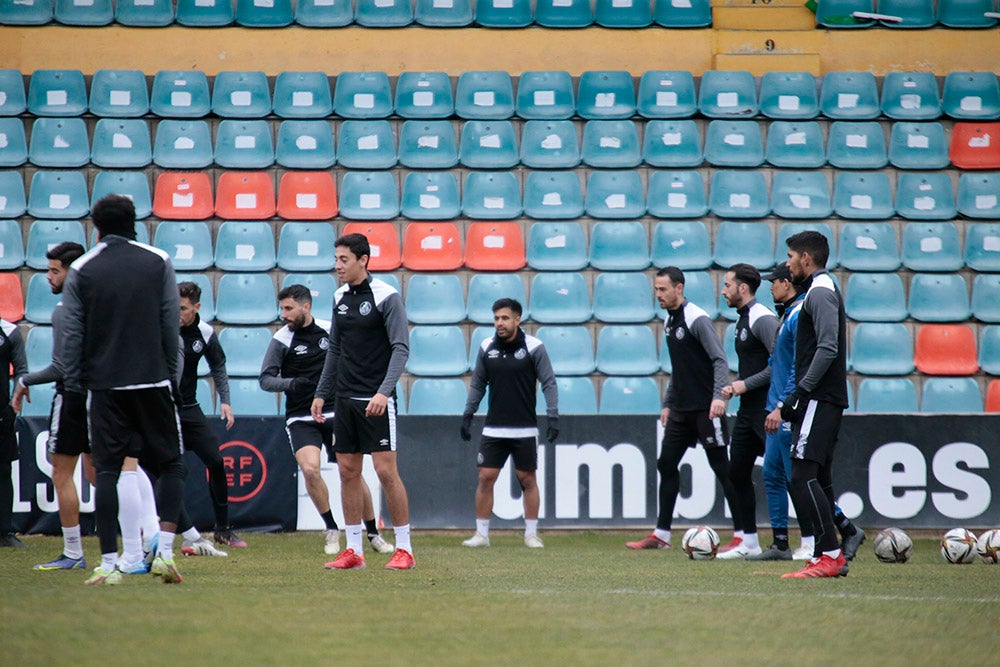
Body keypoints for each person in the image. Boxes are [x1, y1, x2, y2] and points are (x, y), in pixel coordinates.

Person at [60, 194, 185, 585]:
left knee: (108, 471)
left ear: (95, 226)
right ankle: (163, 552)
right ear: (134, 222)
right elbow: (170, 324)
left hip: (105, 385)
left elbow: (72, 334)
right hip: (152, 379)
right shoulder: (157, 260)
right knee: (172, 464)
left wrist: (78, 386)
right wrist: (168, 374)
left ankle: (111, 562)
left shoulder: (82, 268)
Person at [259, 283, 392, 557]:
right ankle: (331, 528)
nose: (283, 314)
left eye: (288, 308)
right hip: (300, 416)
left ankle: (374, 534)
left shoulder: (329, 330)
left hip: (336, 412)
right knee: (310, 469)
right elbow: (265, 380)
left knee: (350, 472)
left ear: (305, 306)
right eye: (281, 308)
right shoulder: (281, 340)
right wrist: (292, 383)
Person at [312, 233, 414, 571]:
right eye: (336, 259)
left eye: (344, 259)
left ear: (363, 260)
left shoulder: (387, 297)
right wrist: (321, 393)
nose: (337, 266)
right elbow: (336, 350)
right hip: (345, 399)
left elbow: (401, 348)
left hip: (378, 400)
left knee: (386, 472)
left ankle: (405, 549)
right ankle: (353, 550)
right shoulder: (339, 297)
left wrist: (384, 392)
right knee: (347, 471)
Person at [752, 264, 866, 563]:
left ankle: (829, 535)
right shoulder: (788, 315)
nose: (770, 287)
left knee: (800, 476)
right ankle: (782, 542)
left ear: (788, 283)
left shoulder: (804, 310)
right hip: (778, 403)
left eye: (773, 281)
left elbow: (797, 366)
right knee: (774, 474)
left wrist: (785, 403)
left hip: (789, 405)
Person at [626, 267, 741, 551]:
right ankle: (661, 535)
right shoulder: (669, 320)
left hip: (706, 409)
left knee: (722, 469)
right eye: (656, 290)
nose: (658, 295)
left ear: (679, 288)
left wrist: (718, 397)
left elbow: (719, 359)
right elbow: (680, 368)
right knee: (666, 463)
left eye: (663, 289)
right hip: (681, 410)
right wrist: (668, 403)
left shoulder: (697, 319)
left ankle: (743, 536)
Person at [13, 242, 93, 566]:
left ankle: (73, 552)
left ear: (71, 273)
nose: (48, 276)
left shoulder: (65, 311)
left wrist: (23, 381)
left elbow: (61, 368)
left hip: (72, 397)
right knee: (105, 473)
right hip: (101, 398)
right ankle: (136, 545)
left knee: (62, 473)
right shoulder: (100, 308)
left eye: (54, 270)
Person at [779, 231, 852, 579]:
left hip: (818, 397)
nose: (788, 262)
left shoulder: (820, 291)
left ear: (806, 258)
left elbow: (827, 347)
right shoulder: (821, 289)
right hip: (824, 397)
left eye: (791, 255)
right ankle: (827, 554)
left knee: (801, 474)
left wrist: (801, 391)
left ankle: (831, 555)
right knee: (817, 476)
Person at [460, 298, 559, 549]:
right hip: (494, 427)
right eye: (496, 318)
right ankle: (482, 534)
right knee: (485, 477)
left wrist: (553, 415)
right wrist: (468, 413)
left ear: (517, 319)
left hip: (524, 427)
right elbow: (478, 383)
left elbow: (548, 383)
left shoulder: (535, 347)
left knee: (527, 479)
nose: (499, 323)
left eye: (504, 318)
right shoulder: (486, 347)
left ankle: (531, 534)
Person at [177, 281, 246, 550]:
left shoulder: (204, 332)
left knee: (216, 462)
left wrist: (225, 401)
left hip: (189, 408)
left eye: (182, 308)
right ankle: (176, 532)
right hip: (162, 409)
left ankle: (223, 530)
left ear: (196, 307)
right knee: (172, 471)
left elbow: (218, 365)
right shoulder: (160, 327)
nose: (177, 313)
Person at [717, 264, 779, 560]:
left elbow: (780, 364)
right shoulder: (742, 321)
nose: (723, 290)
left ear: (743, 288)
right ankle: (749, 541)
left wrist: (743, 384)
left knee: (789, 475)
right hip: (747, 411)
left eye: (727, 285)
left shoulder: (763, 318)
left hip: (767, 410)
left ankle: (814, 539)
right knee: (736, 472)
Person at [0, 315, 28, 548]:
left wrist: (13, 405)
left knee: (3, 469)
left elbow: (21, 370)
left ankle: (4, 531)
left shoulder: (9, 332)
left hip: (1, 413)